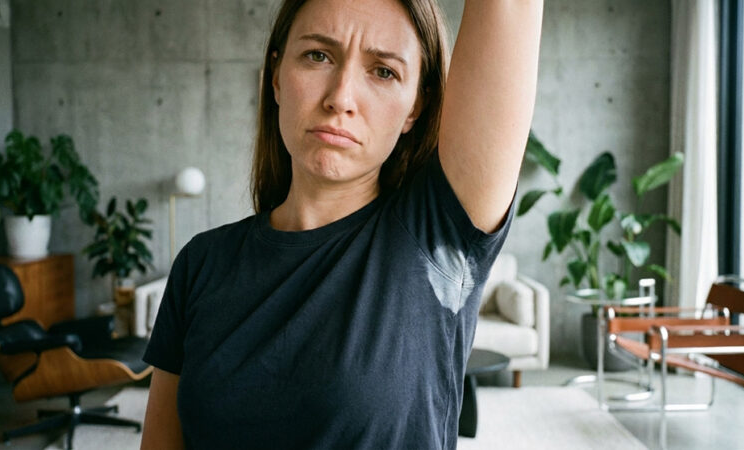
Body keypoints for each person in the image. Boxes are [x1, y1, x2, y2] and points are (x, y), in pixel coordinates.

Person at [141, 0, 543, 448]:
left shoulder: (436, 237)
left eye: (384, 71)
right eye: (318, 56)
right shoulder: (202, 263)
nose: (340, 98)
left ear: (415, 108)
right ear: (275, 76)